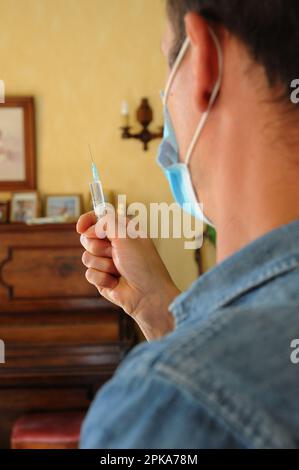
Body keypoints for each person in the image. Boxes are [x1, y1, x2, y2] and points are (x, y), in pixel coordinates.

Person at [77, 0, 299, 449]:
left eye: (167, 64)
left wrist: (178, 366)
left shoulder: (163, 400)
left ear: (204, 61)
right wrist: (160, 309)